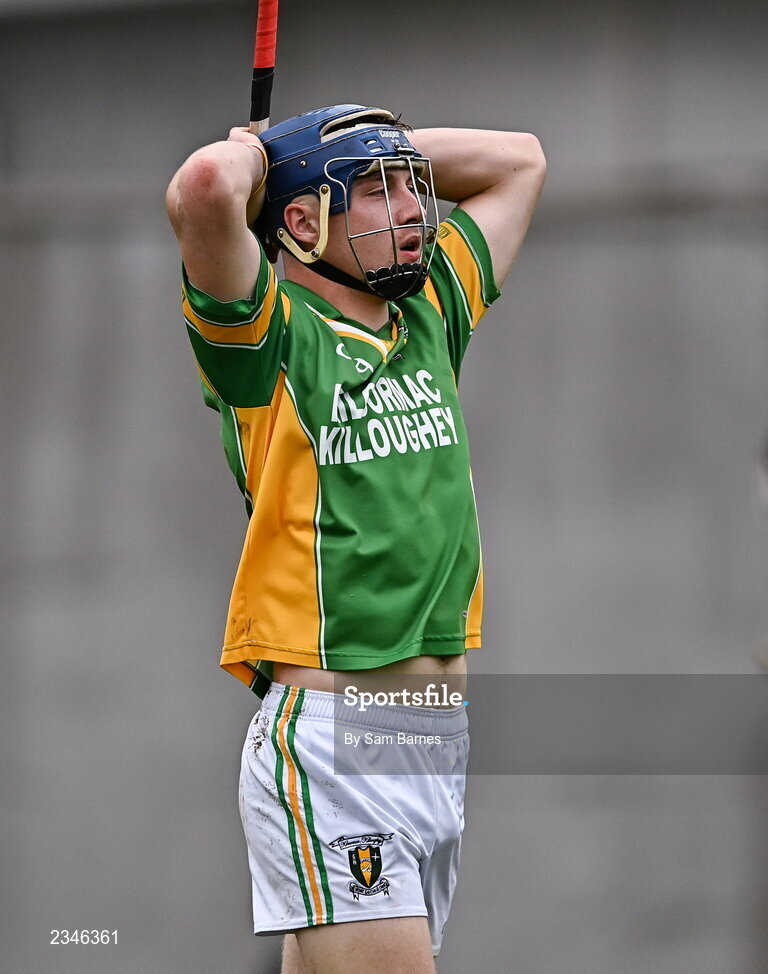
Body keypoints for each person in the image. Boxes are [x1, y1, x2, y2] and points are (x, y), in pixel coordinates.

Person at [166, 105, 545, 974]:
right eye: (373, 192)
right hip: (336, 739)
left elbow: (519, 161)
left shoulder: (430, 316)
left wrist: (351, 142)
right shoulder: (268, 341)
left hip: (428, 737)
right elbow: (203, 190)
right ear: (299, 224)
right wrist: (262, 154)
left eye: (410, 187)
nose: (412, 207)